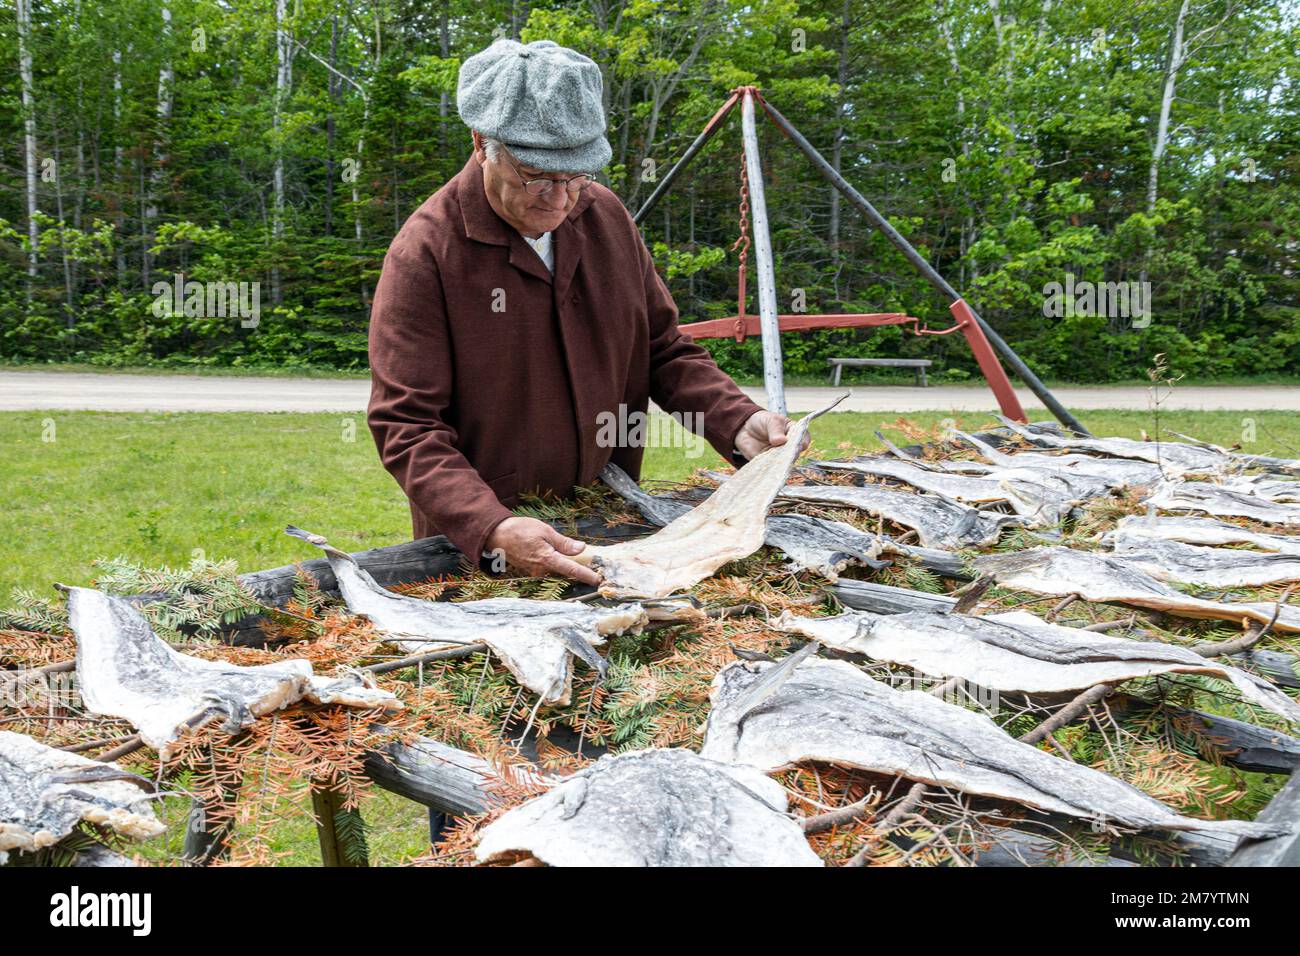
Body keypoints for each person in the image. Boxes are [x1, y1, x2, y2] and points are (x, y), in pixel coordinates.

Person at [367, 38, 802, 586]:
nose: (560, 199)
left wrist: (736, 420)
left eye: (576, 176)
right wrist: (491, 526)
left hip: (609, 518)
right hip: (486, 550)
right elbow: (406, 424)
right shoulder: (427, 253)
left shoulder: (606, 219)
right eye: (537, 176)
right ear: (482, 144)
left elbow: (661, 349)